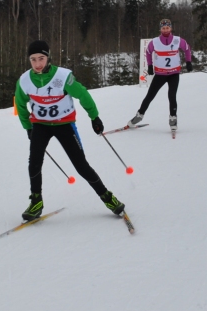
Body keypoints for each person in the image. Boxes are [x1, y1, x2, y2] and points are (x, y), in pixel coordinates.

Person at [15, 40, 125, 220]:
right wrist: (28, 127)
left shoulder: (63, 77)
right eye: (33, 59)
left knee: (81, 166)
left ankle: (107, 197)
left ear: (48, 57)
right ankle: (36, 202)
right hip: (40, 125)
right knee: (34, 162)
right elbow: (20, 104)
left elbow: (83, 94)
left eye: (41, 58)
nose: (37, 63)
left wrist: (94, 116)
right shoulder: (24, 80)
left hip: (64, 125)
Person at [127, 19, 192, 133]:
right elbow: (148, 52)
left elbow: (187, 49)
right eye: (163, 28)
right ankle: (139, 115)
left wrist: (188, 62)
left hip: (174, 74)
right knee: (150, 95)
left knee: (172, 96)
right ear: (160, 29)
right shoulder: (155, 42)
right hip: (160, 74)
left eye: (167, 28)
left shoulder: (177, 40)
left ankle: (173, 119)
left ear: (171, 28)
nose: (165, 30)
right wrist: (150, 66)